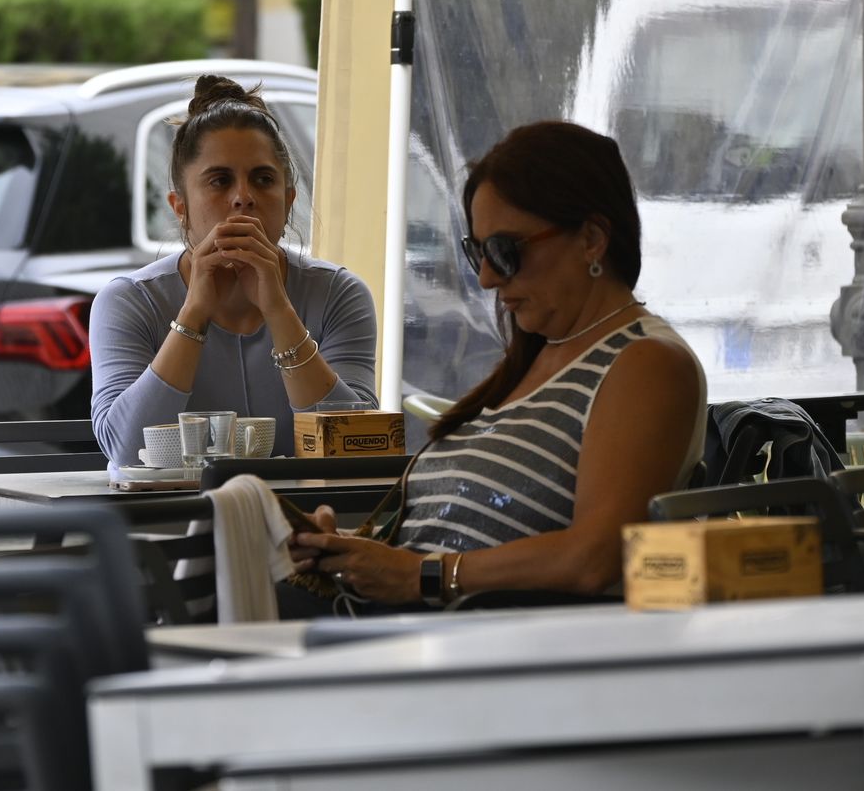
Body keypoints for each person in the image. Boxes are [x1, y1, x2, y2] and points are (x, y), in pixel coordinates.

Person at [291, 121, 706, 604]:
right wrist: (351, 552)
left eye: (505, 251)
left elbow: (596, 556)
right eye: (477, 252)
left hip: (477, 641)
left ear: (592, 239)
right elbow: (441, 544)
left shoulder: (646, 363)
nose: (487, 278)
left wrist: (426, 575)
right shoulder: (537, 357)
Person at [90, 75, 377, 465]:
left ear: (288, 202)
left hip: (302, 504)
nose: (243, 197)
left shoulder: (339, 293)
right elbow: (126, 451)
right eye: (220, 181)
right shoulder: (129, 301)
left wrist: (279, 310)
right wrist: (194, 313)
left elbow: (354, 443)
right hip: (177, 507)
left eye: (263, 179)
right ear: (180, 207)